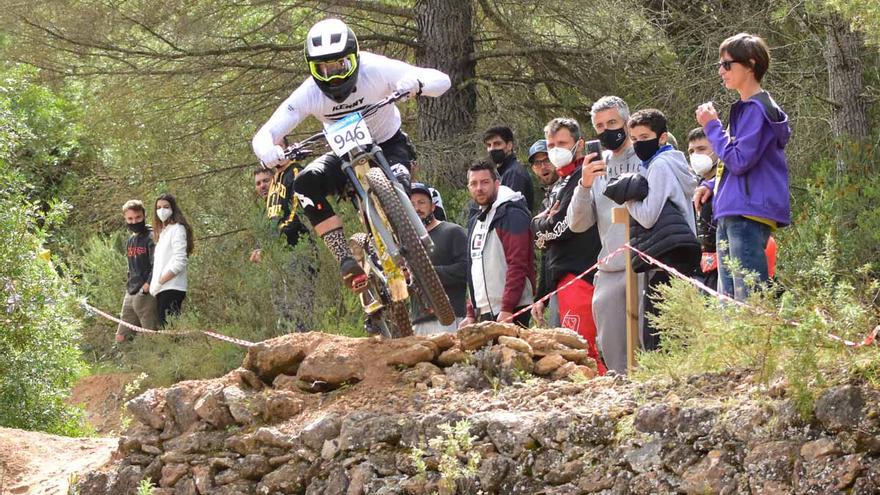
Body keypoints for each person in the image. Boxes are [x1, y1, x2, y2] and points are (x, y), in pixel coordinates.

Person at [252, 18, 451, 294]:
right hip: (343, 155)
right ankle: (344, 257)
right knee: (304, 183)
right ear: (313, 69)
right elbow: (266, 132)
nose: (333, 75)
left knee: (400, 181)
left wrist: (416, 82)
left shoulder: (376, 68)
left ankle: (406, 237)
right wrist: (269, 152)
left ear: (354, 58)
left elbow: (441, 79)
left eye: (340, 66)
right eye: (324, 69)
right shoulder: (309, 92)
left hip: (388, 143)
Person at [694, 32, 791, 301]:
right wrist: (712, 185)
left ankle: (753, 346)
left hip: (747, 215)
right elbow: (739, 161)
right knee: (729, 305)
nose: (721, 71)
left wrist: (712, 126)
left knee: (746, 303)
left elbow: (738, 160)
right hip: (733, 211)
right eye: (719, 65)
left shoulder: (757, 110)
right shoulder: (747, 109)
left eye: (727, 65)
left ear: (750, 65)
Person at [565, 96, 643, 374]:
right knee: (610, 345)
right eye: (599, 126)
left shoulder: (646, 155)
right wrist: (584, 185)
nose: (606, 130)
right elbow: (577, 224)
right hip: (610, 266)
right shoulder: (596, 165)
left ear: (626, 121)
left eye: (612, 122)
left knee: (646, 344)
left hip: (646, 263)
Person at [617, 109, 699, 351]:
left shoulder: (660, 166)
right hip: (681, 249)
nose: (638, 144)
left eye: (644, 137)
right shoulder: (674, 162)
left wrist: (629, 199)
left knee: (657, 332)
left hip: (669, 252)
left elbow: (649, 216)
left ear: (662, 137)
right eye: (634, 139)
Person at [531, 119, 605, 373]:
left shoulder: (581, 177)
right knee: (569, 349)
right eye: (551, 144)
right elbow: (543, 242)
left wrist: (544, 227)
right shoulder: (558, 184)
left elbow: (564, 226)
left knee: (582, 348)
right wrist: (542, 292)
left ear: (579, 145)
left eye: (561, 143)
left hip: (582, 271)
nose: (555, 150)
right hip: (561, 276)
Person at [461, 161, 535, 328]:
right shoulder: (476, 219)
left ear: (497, 183)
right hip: (485, 311)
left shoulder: (512, 214)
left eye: (485, 182)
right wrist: (471, 312)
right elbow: (473, 267)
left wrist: (507, 308)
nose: (479, 188)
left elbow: (518, 264)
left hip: (512, 309)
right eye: (474, 183)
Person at [409, 183, 468, 334]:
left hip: (449, 317)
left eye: (422, 202)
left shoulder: (453, 231)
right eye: (412, 204)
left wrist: (429, 273)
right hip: (418, 319)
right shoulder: (407, 241)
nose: (417, 208)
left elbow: (467, 269)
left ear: (433, 207)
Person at [527, 139, 561, 328]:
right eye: (537, 163)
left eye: (546, 160)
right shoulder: (546, 199)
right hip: (557, 284)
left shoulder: (567, 189)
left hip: (578, 278)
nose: (543, 166)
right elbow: (546, 254)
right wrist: (542, 297)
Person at [116, 200, 158, 341]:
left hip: (147, 292)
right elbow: (131, 266)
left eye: (138, 217)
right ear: (125, 219)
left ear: (144, 216)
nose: (134, 222)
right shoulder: (131, 240)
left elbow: (157, 264)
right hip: (131, 291)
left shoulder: (152, 237)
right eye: (130, 219)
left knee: (150, 334)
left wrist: (147, 286)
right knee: (122, 337)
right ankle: (128, 362)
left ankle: (156, 360)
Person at [149, 194, 194, 327]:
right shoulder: (163, 232)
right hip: (162, 290)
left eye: (166, 207)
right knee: (166, 330)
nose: (162, 210)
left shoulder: (178, 229)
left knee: (170, 331)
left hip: (172, 287)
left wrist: (161, 281)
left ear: (173, 208)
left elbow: (180, 261)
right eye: (158, 207)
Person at [687, 127, 721, 290]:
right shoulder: (695, 186)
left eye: (701, 149)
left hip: (726, 263)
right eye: (691, 151)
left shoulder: (727, 185)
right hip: (703, 267)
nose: (695, 156)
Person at [482, 125, 535, 212]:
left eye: (497, 144)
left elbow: (511, 211)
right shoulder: (503, 172)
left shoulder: (514, 173)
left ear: (509, 146)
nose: (492, 149)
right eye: (489, 145)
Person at [250, 168, 274, 264]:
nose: (262, 186)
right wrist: (257, 253)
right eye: (258, 183)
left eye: (266, 181)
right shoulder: (262, 214)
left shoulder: (289, 202)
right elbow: (260, 243)